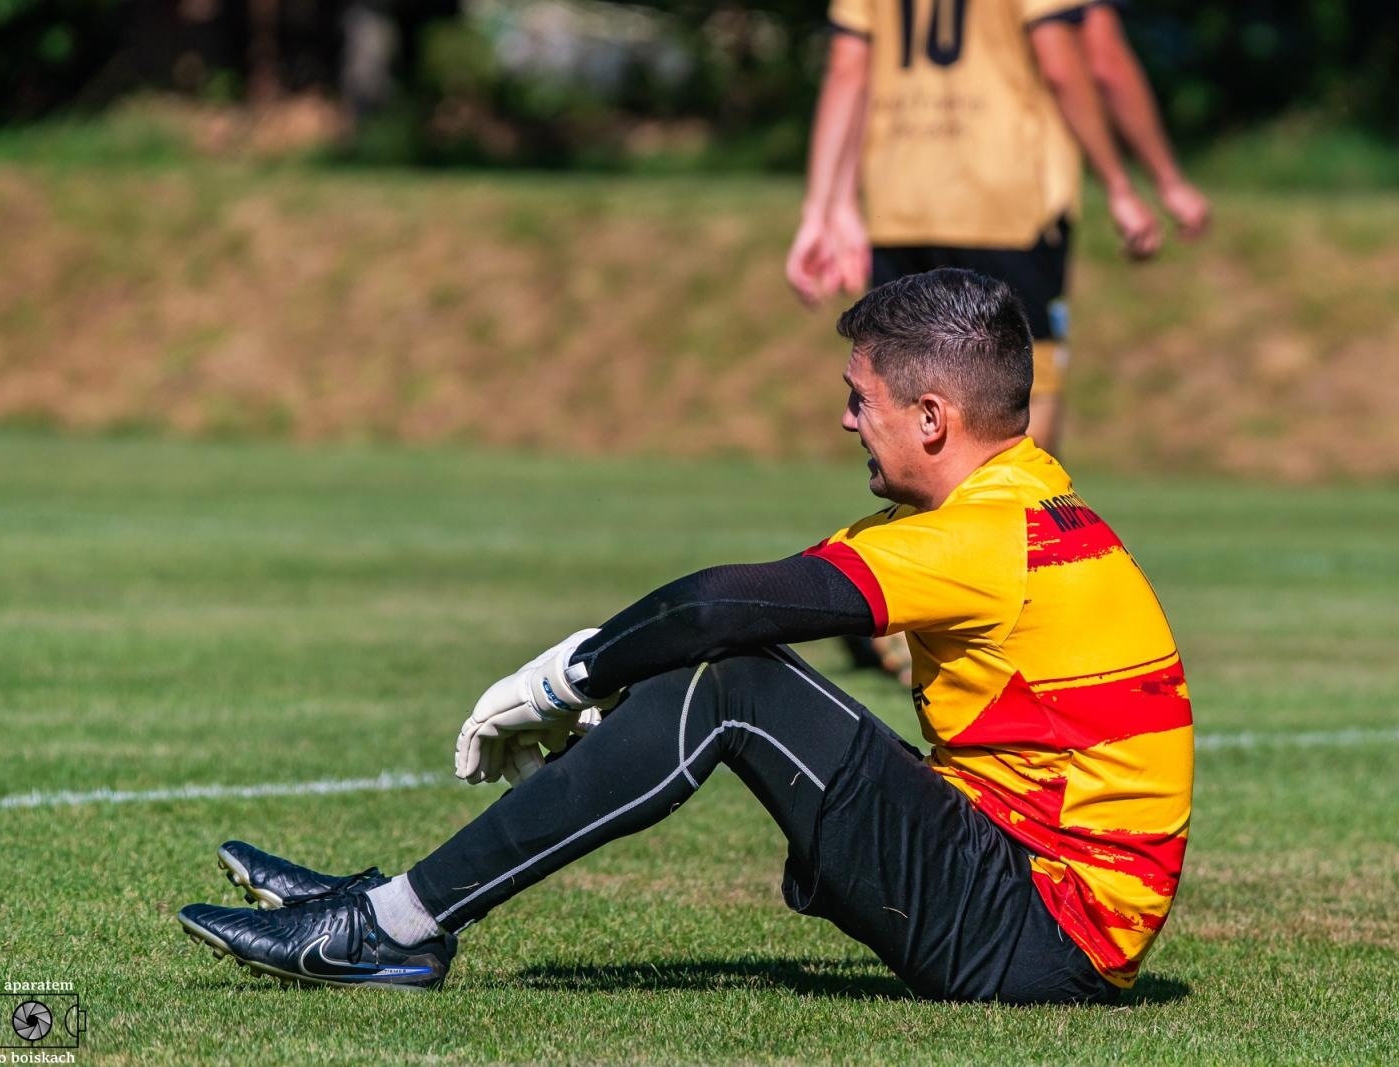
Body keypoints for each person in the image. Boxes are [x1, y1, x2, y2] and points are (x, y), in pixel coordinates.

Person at [178, 269, 1194, 1004]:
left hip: (1043, 930)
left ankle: (392, 926)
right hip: (1027, 893)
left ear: (931, 416)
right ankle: (398, 907)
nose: (847, 420)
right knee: (719, 674)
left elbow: (718, 614)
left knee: (731, 682)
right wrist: (608, 691)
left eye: (860, 397)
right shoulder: (1020, 506)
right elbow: (737, 610)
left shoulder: (981, 537)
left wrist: (564, 674)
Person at [786, 0, 1210, 455]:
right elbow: (1069, 63)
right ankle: (1009, 527)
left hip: (900, 205)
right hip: (1006, 203)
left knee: (903, 407)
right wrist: (1125, 185)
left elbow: (848, 69)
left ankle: (928, 529)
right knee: (1019, 402)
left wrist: (826, 207)